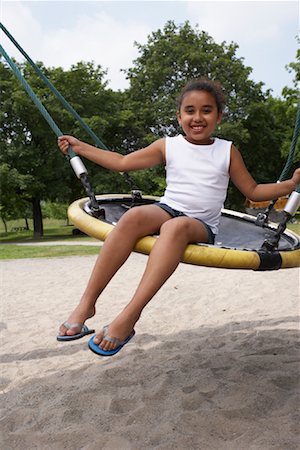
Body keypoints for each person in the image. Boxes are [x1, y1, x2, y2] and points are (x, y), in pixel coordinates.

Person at [57, 78, 300, 356]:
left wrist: (290, 185)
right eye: (190, 110)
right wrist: (81, 147)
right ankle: (87, 303)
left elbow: (254, 191)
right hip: (168, 207)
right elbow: (122, 162)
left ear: (219, 116)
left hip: (201, 224)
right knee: (134, 217)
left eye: (207, 110)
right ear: (179, 116)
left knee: (176, 227)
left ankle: (130, 315)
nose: (197, 117)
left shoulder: (226, 150)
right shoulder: (168, 145)